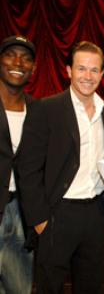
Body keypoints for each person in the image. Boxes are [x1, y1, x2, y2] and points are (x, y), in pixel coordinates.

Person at [18, 41, 104, 294]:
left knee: (91, 286)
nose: (88, 76)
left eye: (94, 70)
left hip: (94, 214)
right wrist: (39, 220)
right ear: (69, 70)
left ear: (102, 74)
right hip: (57, 214)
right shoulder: (46, 108)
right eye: (81, 69)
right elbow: (27, 168)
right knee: (50, 286)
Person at [0, 35, 36, 294]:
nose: (18, 62)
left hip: (23, 216)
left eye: (25, 58)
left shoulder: (38, 110)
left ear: (33, 69)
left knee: (19, 288)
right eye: (10, 54)